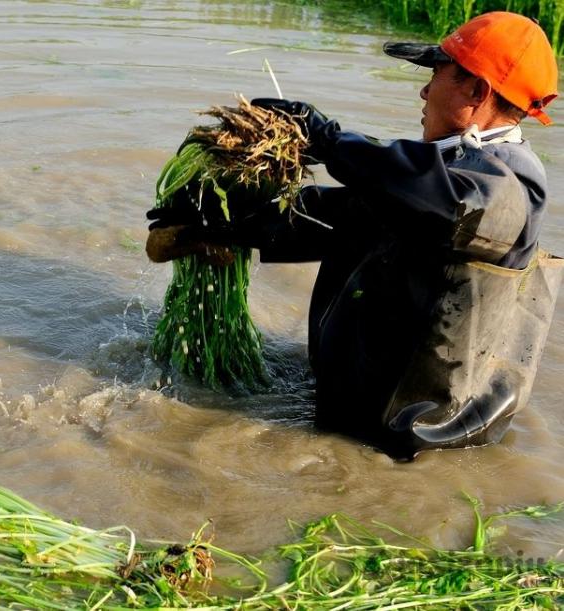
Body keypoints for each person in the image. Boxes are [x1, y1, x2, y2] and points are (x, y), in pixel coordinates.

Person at [145, 11, 562, 459]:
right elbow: (341, 218)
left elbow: (447, 208)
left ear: (477, 91)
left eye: (435, 77)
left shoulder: (511, 185)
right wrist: (220, 221)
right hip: (354, 417)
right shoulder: (442, 171)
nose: (424, 92)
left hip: (409, 451)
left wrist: (326, 140)